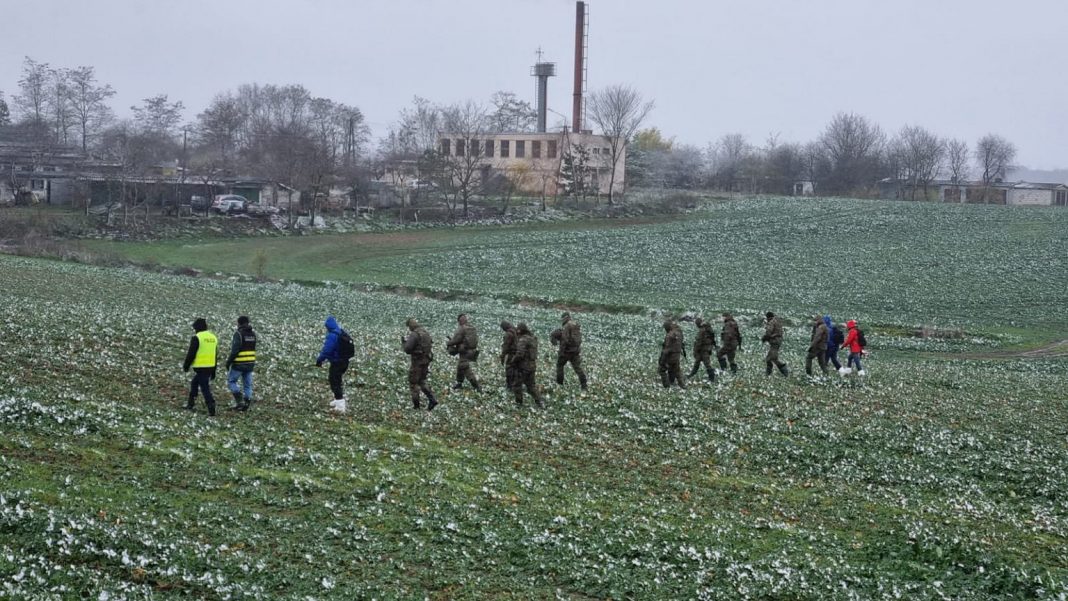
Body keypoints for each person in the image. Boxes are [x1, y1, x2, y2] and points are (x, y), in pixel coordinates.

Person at [182, 318, 217, 416]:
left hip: (201, 366)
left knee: (205, 388)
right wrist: (214, 370)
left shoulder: (197, 337)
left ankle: (211, 405)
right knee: (194, 383)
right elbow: (215, 354)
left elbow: (191, 353)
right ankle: (191, 403)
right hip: (210, 366)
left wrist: (186, 365)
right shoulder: (213, 337)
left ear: (197, 327)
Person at [315, 316, 351, 413]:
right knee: (336, 380)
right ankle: (337, 400)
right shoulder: (341, 331)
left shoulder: (332, 335)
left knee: (335, 381)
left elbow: (327, 350)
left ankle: (340, 405)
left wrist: (319, 360)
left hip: (337, 362)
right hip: (345, 361)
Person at [402, 318, 438, 410]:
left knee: (413, 383)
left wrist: (404, 343)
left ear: (411, 326)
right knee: (422, 381)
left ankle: (416, 406)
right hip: (425, 361)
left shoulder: (414, 335)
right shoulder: (425, 333)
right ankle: (432, 399)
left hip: (417, 362)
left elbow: (407, 349)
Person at [225, 315, 257, 411]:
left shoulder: (238, 334)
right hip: (250, 363)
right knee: (247, 385)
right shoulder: (253, 334)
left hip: (239, 364)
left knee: (232, 381)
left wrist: (229, 362)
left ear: (239, 323)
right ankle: (247, 402)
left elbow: (235, 350)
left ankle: (239, 401)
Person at [510, 322, 544, 407]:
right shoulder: (533, 338)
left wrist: (513, 361)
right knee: (531, 386)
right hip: (532, 366)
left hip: (523, 367)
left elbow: (520, 354)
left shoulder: (523, 340)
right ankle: (540, 402)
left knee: (517, 385)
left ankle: (519, 403)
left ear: (520, 330)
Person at [446, 313, 481, 391]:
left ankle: (476, 386)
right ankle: (459, 383)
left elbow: (456, 340)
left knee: (465, 368)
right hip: (472, 351)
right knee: (460, 367)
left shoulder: (462, 328)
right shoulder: (471, 327)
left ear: (459, 321)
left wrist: (449, 343)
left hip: (464, 351)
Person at [554, 312, 588, 391]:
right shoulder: (576, 324)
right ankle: (584, 385)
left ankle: (559, 384)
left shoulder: (567, 326)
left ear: (565, 318)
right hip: (575, 351)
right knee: (578, 368)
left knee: (559, 366)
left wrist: (561, 352)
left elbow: (565, 340)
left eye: (562, 319)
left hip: (567, 351)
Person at [687, 317, 717, 383]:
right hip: (705, 349)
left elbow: (699, 342)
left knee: (707, 364)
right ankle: (691, 375)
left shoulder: (702, 330)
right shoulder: (707, 329)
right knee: (697, 362)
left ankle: (712, 378)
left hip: (703, 350)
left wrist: (695, 350)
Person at [658, 320, 686, 389]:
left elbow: (666, 350)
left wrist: (662, 360)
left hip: (670, 356)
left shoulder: (669, 335)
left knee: (661, 370)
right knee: (677, 371)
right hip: (677, 355)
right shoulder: (679, 333)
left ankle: (667, 386)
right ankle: (682, 386)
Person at [761, 311, 789, 377]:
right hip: (778, 341)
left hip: (774, 342)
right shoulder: (778, 321)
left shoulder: (771, 322)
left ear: (768, 317)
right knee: (772, 358)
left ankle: (783, 370)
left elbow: (768, 332)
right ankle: (769, 373)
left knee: (771, 358)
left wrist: (764, 338)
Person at [500, 321, 518, 391]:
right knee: (516, 369)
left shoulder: (508, 334)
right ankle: (515, 384)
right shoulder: (515, 331)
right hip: (518, 354)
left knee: (509, 369)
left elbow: (505, 347)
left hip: (512, 354)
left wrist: (502, 357)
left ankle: (510, 386)